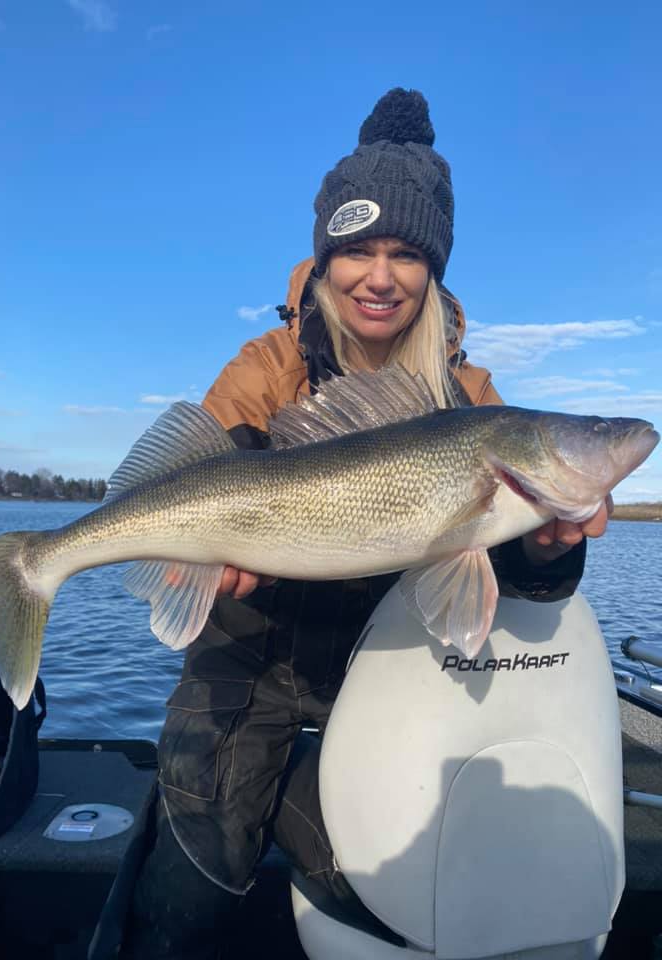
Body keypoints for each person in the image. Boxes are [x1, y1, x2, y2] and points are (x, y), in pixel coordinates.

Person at [121, 88, 610, 959]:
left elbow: (518, 586)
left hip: (382, 673)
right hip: (248, 660)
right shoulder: (268, 364)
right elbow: (202, 470)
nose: (379, 277)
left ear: (434, 271)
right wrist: (200, 551)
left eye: (405, 254)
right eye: (356, 250)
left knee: (391, 892)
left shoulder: (473, 406)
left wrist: (545, 548)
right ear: (324, 260)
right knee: (191, 890)